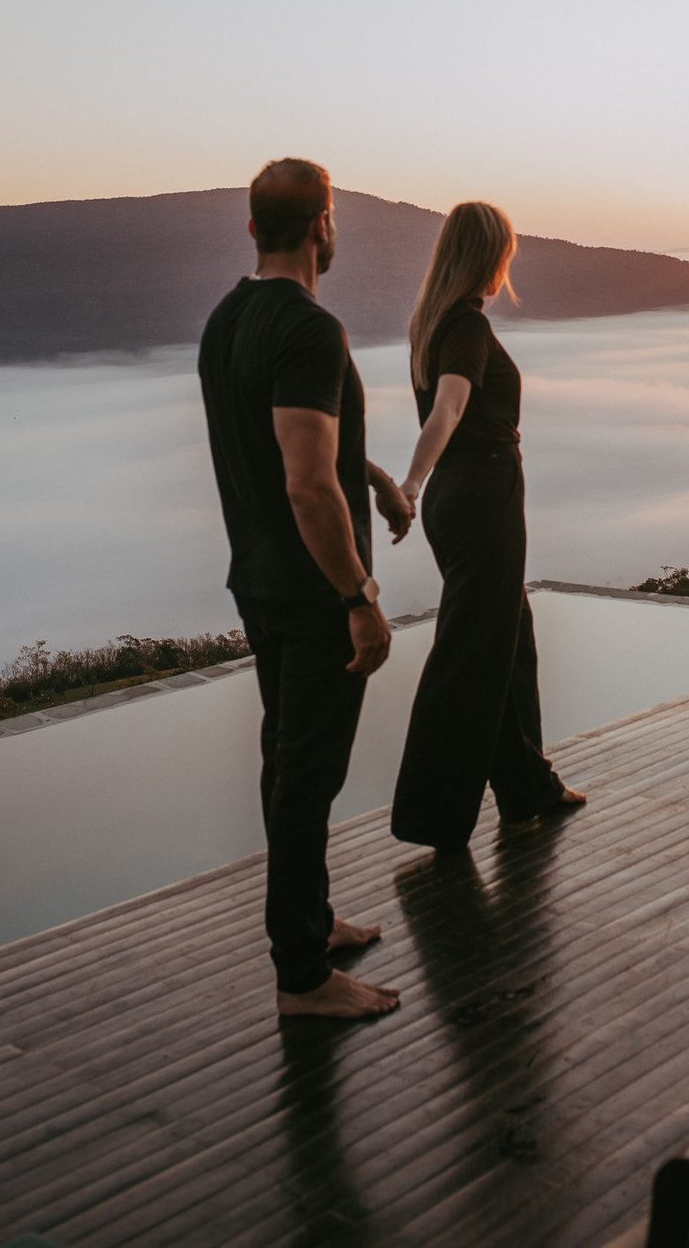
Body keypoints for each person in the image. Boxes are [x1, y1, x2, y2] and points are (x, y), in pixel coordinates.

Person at [198, 158, 413, 1019]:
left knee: (284, 760)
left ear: (254, 229)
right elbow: (304, 484)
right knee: (306, 775)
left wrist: (371, 476)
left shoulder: (227, 321)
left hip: (256, 578)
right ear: (324, 225)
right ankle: (302, 978)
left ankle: (312, 923)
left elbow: (298, 444)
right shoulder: (309, 329)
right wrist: (358, 595)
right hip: (311, 590)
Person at [390, 201, 585, 851]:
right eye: (506, 251)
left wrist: (424, 488)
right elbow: (448, 408)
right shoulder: (467, 326)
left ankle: (526, 787)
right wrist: (410, 483)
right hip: (483, 492)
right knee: (473, 653)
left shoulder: (432, 322)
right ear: (489, 255)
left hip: (458, 497)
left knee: (508, 639)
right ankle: (433, 814)